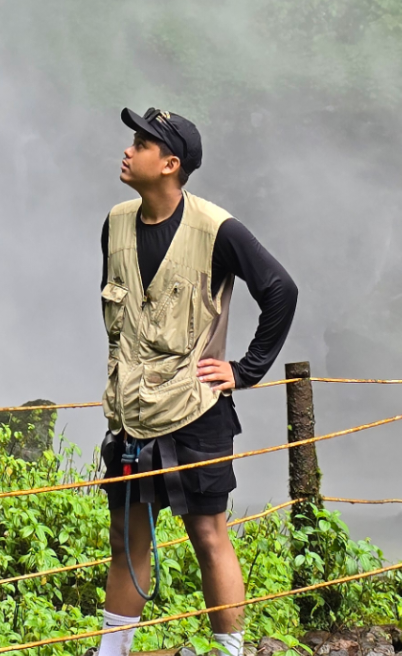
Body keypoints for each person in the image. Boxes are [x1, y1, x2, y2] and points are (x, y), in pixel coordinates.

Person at [94, 107, 297, 656]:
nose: (129, 149)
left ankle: (230, 651)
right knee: (125, 536)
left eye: (142, 143)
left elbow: (280, 290)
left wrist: (245, 370)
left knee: (209, 536)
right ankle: (111, 652)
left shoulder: (218, 229)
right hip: (131, 414)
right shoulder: (115, 222)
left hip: (196, 410)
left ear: (170, 164)